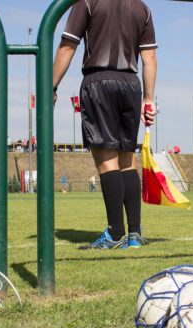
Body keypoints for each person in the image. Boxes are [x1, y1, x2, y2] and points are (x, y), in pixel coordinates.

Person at [53, 0, 157, 249]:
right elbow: (150, 57)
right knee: (127, 159)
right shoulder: (142, 8)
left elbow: (67, 46)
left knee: (106, 157)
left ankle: (115, 233)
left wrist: (50, 85)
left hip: (99, 82)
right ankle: (135, 234)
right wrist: (149, 99)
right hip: (131, 84)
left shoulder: (87, 2)